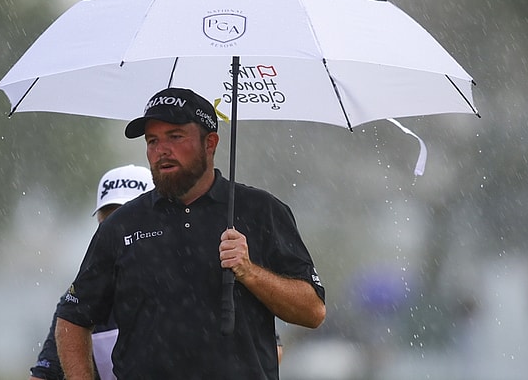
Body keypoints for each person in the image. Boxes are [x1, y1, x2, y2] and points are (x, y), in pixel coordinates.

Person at [55, 88, 326, 379]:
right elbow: (72, 318)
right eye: (152, 141)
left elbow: (312, 312)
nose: (161, 150)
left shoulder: (262, 212)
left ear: (210, 143)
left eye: (175, 137)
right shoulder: (121, 225)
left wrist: (249, 272)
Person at [29, 164, 154, 380]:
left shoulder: (188, 287)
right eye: (107, 226)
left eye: (128, 225)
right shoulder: (81, 301)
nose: (117, 236)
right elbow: (45, 375)